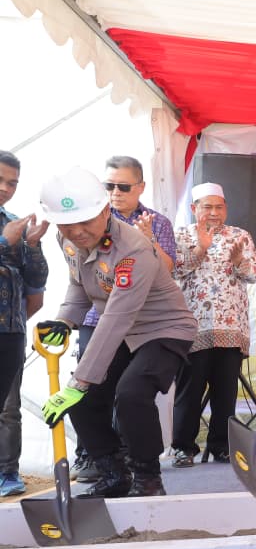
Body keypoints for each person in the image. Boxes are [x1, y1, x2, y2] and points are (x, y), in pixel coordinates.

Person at [36, 167, 197, 498]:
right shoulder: (66, 239)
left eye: (86, 221)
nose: (77, 232)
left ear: (105, 211)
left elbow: (117, 317)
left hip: (164, 328)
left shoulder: (132, 249)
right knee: (83, 401)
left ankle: (148, 477)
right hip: (125, 330)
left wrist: (80, 381)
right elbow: (79, 285)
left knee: (131, 393)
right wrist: (65, 320)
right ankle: (113, 473)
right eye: (67, 224)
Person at [73, 155, 177, 482]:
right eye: (109, 186)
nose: (115, 192)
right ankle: (96, 461)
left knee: (130, 393)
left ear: (140, 187)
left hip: (145, 324)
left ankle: (142, 471)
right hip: (96, 319)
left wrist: (150, 242)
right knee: (86, 391)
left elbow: (168, 268)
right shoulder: (84, 221)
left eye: (123, 186)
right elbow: (76, 278)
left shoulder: (157, 222)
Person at [170, 182, 256, 467]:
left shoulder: (240, 236)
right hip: (192, 326)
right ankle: (183, 448)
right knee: (190, 389)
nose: (213, 213)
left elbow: (254, 274)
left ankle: (222, 446)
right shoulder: (181, 235)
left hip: (230, 326)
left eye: (219, 207)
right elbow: (175, 270)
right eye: (207, 207)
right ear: (194, 208)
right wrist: (200, 248)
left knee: (225, 391)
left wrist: (237, 262)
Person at [0, 150, 49, 497]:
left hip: (11, 330)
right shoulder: (8, 231)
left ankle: (6, 474)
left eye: (12, 183)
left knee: (7, 407)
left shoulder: (14, 221)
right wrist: (5, 242)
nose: (5, 188)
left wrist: (32, 245)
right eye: (0, 180)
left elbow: (36, 280)